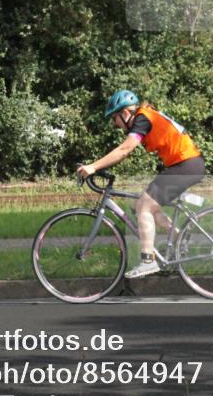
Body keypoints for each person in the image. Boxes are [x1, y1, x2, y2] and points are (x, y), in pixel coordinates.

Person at [76, 90, 205, 278]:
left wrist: (93, 167)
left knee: (144, 206)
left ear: (125, 113)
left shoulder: (142, 118)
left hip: (186, 164)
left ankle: (148, 261)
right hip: (186, 165)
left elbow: (124, 149)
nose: (115, 124)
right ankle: (179, 236)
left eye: (115, 118)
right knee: (142, 206)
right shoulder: (144, 117)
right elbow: (124, 151)